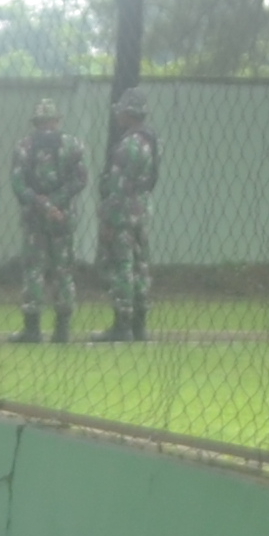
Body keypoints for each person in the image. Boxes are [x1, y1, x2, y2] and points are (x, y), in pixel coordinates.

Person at [10, 96, 88, 344]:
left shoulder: (24, 146)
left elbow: (18, 184)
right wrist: (56, 201)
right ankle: (62, 329)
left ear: (36, 121)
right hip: (62, 217)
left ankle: (32, 329)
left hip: (35, 218)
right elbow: (80, 179)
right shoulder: (72, 145)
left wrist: (42, 203)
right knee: (63, 271)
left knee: (34, 270)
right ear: (56, 120)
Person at [97, 88, 161, 345]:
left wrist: (109, 220)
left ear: (128, 113)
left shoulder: (127, 145)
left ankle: (122, 324)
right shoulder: (151, 142)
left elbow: (117, 187)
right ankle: (139, 325)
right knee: (140, 266)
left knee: (122, 266)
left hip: (122, 212)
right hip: (142, 210)